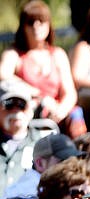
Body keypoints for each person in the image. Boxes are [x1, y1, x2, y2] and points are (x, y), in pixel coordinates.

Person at [0, 1, 84, 138]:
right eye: (31, 22)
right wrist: (40, 97)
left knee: (76, 115)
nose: (36, 27)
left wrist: (60, 110)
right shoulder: (14, 54)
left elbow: (70, 92)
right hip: (28, 111)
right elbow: (3, 75)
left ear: (49, 25)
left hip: (57, 112)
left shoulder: (58, 54)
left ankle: (80, 157)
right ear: (23, 27)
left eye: (41, 21)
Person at [2, 133, 84, 199]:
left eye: (73, 162)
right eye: (63, 161)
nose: (70, 167)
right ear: (40, 163)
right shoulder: (29, 192)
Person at [0, 87, 44, 193]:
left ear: (31, 110)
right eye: (9, 104)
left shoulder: (43, 144)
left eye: (21, 105)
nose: (16, 111)